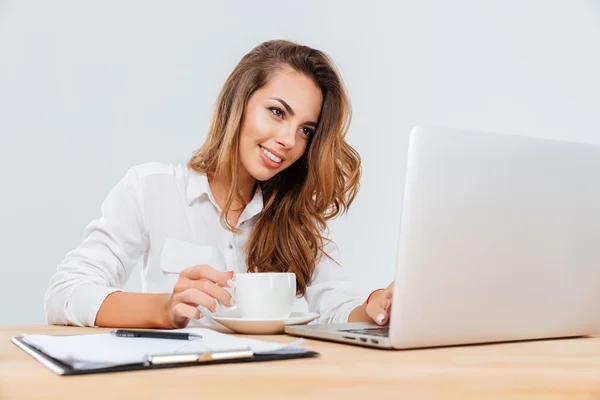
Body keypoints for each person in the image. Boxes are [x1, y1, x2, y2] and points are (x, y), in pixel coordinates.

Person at [44, 39, 394, 330]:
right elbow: (66, 293)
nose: (290, 139)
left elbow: (334, 306)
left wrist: (378, 308)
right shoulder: (151, 188)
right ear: (237, 104)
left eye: (306, 130)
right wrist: (163, 309)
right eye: (277, 112)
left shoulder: (295, 214)